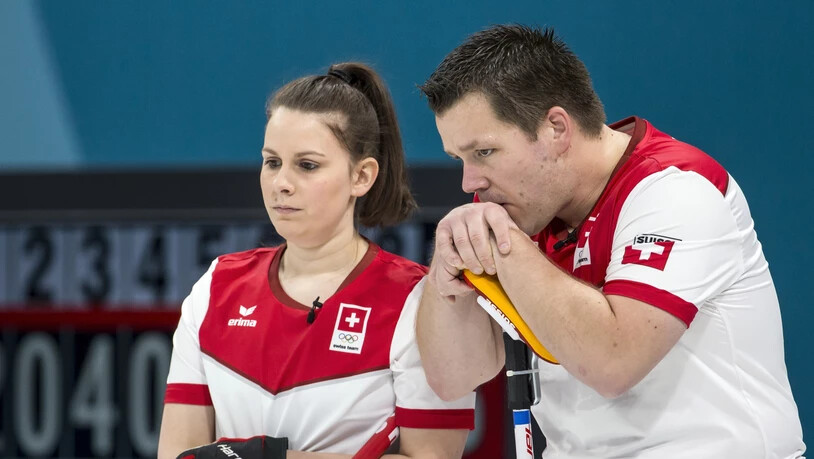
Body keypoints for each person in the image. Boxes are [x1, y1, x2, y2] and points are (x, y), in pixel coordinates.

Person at [415, 25, 805, 458]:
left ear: (556, 129)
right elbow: (453, 378)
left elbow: (613, 363)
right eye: (460, 159)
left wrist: (510, 249)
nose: (469, 182)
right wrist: (445, 281)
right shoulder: (519, 205)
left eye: (484, 152)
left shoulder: (675, 189)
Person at [158, 62, 475, 459]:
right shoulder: (216, 287)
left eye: (307, 165)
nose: (281, 183)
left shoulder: (417, 302)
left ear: (362, 176)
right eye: (272, 162)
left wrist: (272, 458)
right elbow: (177, 453)